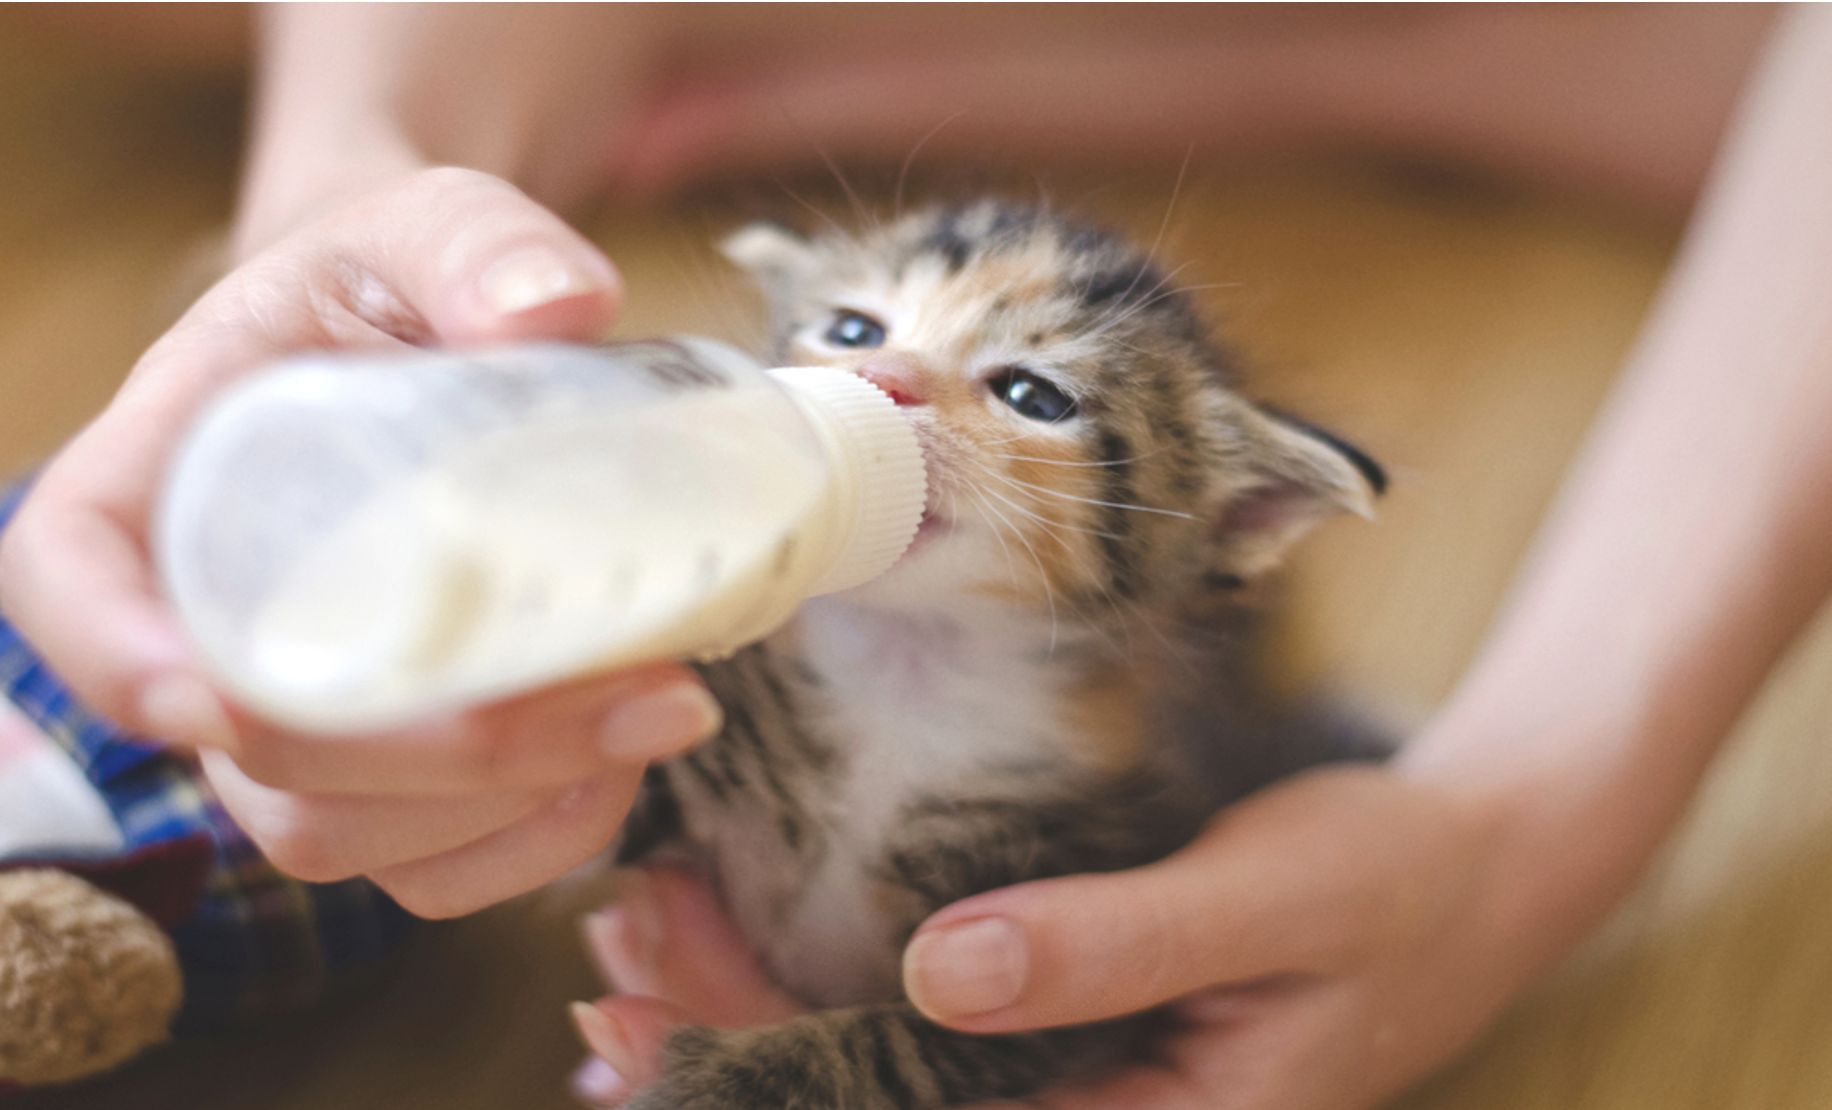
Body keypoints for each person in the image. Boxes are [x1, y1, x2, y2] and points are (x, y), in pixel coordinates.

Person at [2, 6, 1828, 1108]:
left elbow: (1010, 1029)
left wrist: (1528, 810)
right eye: (858, 330)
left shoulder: (1099, 776)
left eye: (1025, 391)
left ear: (1215, 532)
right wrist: (337, 199)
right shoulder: (724, 632)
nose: (899, 388)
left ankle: (1384, 50)